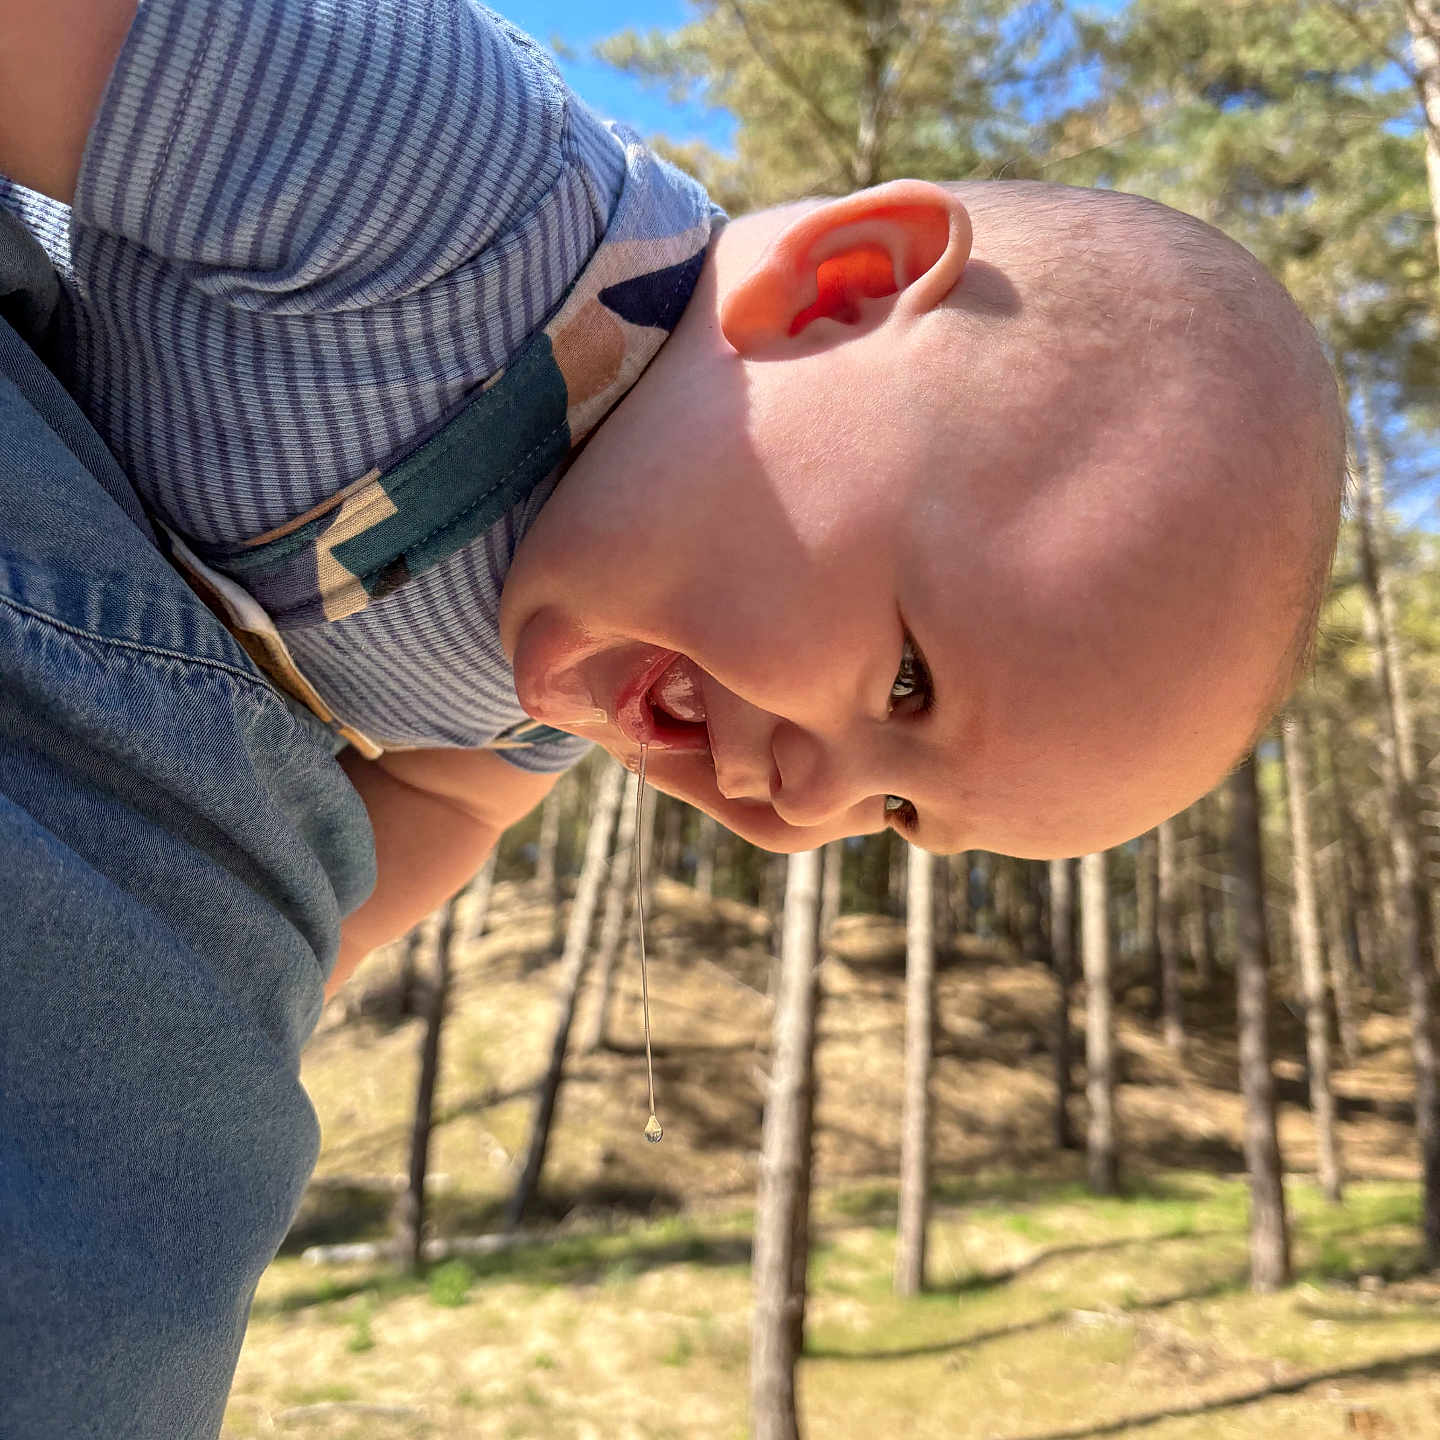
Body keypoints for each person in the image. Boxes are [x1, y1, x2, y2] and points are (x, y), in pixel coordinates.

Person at [0, 0, 1342, 1431]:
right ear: (834, 293)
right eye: (907, 684)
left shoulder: (562, 683)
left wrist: (255, 988)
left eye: (895, 811)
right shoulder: (460, 196)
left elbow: (450, 803)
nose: (807, 810)